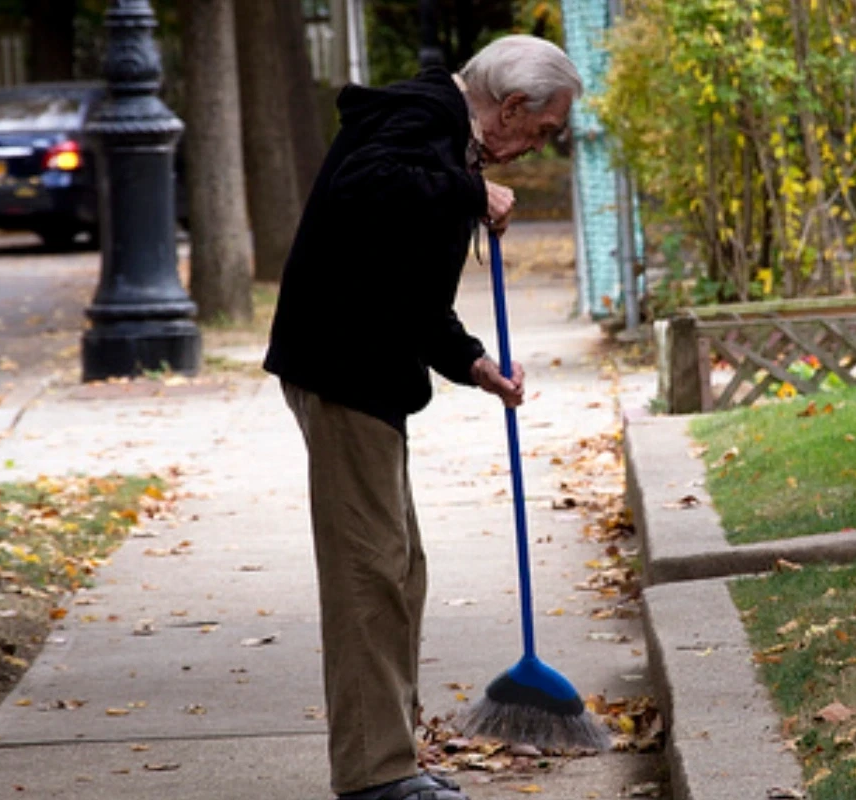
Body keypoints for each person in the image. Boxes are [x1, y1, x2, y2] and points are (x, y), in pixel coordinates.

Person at [263, 35, 583, 800]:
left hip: (368, 370)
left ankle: (393, 754)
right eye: (539, 133)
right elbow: (367, 185)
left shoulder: (441, 145)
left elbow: (409, 292)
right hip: (341, 368)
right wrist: (469, 194)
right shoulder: (422, 117)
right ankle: (376, 777)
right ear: (509, 106)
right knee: (368, 573)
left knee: (399, 569)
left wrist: (473, 362)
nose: (533, 151)